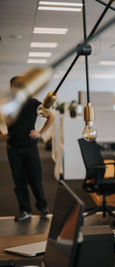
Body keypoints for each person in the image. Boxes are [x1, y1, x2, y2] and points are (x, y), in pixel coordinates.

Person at [0, 76, 54, 221]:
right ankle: (25, 210)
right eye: (13, 87)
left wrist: (40, 132)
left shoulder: (34, 103)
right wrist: (2, 135)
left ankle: (43, 207)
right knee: (19, 182)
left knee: (35, 180)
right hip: (13, 149)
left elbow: (51, 116)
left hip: (30, 148)